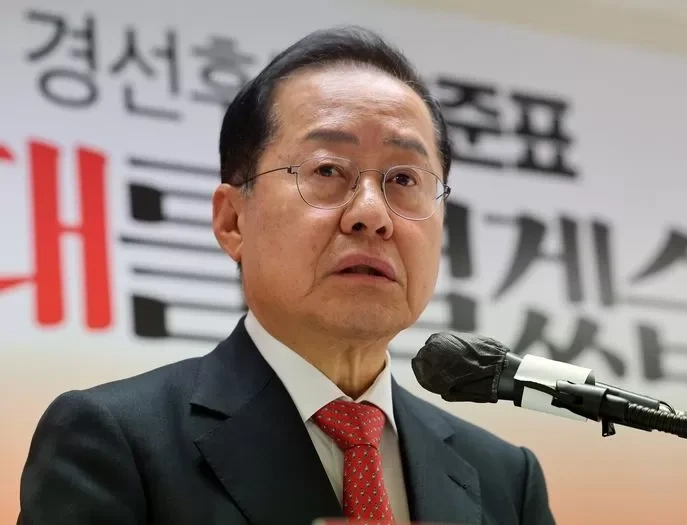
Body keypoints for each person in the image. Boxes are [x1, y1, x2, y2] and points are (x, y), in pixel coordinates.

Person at [17, 26, 556, 525]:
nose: (373, 214)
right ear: (233, 221)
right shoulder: (116, 440)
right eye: (328, 170)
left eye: (404, 179)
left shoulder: (505, 479)